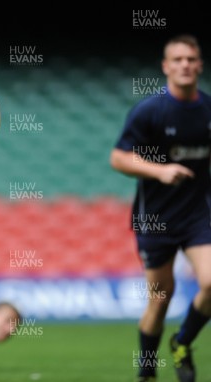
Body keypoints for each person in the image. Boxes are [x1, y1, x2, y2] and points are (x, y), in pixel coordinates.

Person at [110, 34, 211, 382]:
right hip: (155, 220)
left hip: (199, 216)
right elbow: (118, 158)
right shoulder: (150, 110)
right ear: (166, 67)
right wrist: (160, 170)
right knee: (160, 300)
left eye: (191, 59)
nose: (185, 64)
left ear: (199, 65)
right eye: (178, 59)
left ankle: (182, 342)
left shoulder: (208, 109)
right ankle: (148, 372)